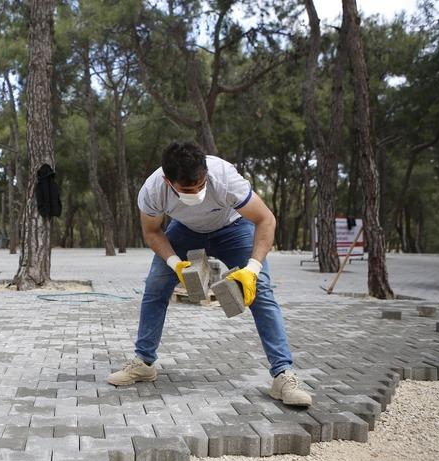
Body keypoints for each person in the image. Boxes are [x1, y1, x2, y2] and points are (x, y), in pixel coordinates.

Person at [107, 141, 311, 406]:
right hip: (185, 231)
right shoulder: (153, 189)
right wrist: (175, 264)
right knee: (155, 287)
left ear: (205, 172)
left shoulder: (225, 177)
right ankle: (144, 363)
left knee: (261, 290)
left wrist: (252, 269)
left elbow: (266, 219)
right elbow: (152, 231)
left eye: (201, 185)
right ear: (168, 181)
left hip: (233, 228)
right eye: (187, 190)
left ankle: (283, 375)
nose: (197, 192)